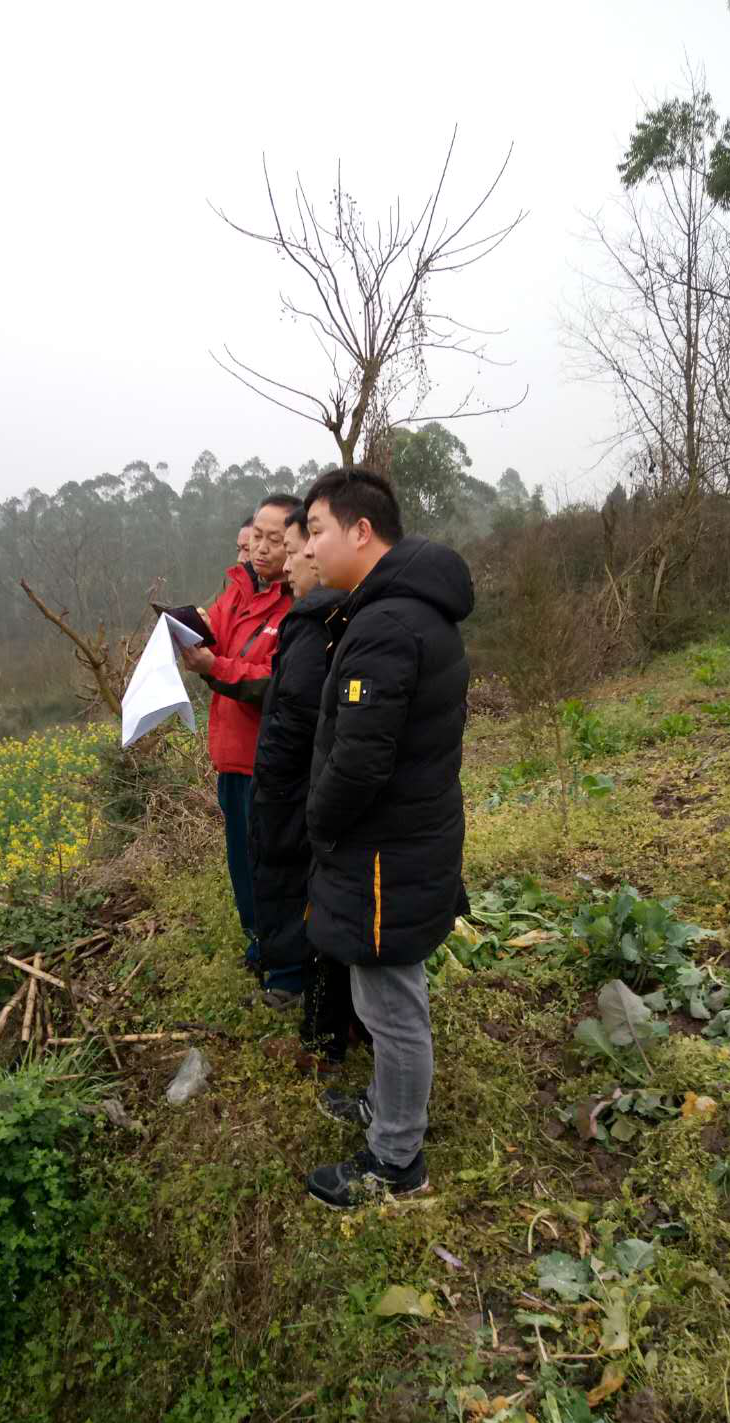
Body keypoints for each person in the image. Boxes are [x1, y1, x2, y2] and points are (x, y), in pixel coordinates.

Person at [299, 466, 473, 1208]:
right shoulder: (402, 610)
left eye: (316, 531)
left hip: (381, 852)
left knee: (391, 1007)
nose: (310, 547)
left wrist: (318, 820)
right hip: (405, 839)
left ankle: (396, 1160)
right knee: (392, 993)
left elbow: (361, 759)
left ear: (360, 531)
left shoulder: (388, 624)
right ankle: (387, 1105)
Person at [250, 506, 361, 1054]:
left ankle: (320, 1023)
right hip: (301, 790)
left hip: (298, 793)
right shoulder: (323, 623)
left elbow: (297, 718)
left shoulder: (319, 625)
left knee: (300, 890)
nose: (292, 561)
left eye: (298, 547)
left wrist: (270, 783)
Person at [179, 494, 298, 987]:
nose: (255, 550)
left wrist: (214, 666)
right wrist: (194, 635)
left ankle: (288, 968)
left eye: (272, 540)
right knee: (242, 866)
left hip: (265, 761)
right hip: (231, 757)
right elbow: (221, 649)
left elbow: (272, 682)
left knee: (271, 867)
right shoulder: (239, 594)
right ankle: (261, 943)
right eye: (251, 541)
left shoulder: (295, 605)